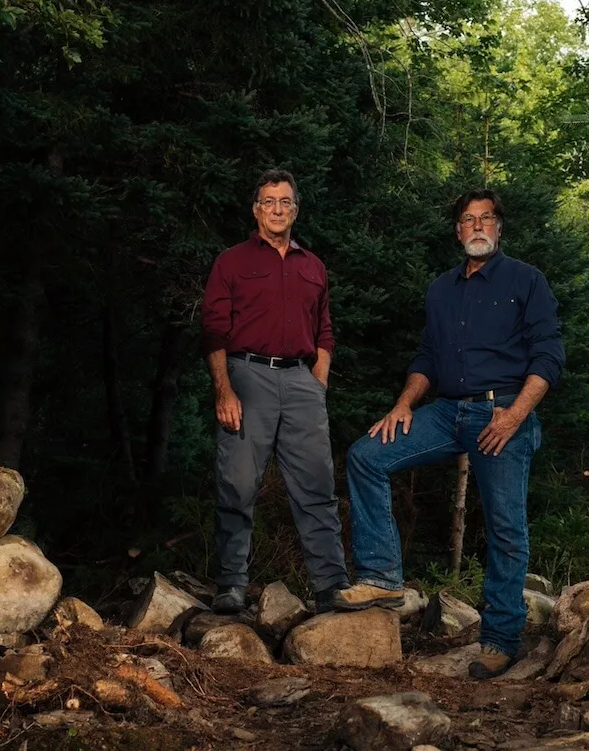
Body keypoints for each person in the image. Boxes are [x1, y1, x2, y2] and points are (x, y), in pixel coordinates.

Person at [332, 188, 565, 679]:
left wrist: (515, 415)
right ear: (457, 230)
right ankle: (383, 577)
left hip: (502, 413)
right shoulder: (441, 289)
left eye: (486, 219)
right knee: (366, 455)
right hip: (445, 412)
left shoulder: (526, 280)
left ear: (499, 228)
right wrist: (402, 404)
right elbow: (426, 358)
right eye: (467, 219)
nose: (477, 226)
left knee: (505, 527)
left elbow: (549, 355)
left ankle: (500, 640)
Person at [200, 169, 348, 615]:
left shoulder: (313, 266)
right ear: (256, 210)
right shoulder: (232, 261)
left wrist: (317, 382)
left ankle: (330, 587)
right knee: (238, 484)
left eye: (285, 202)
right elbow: (213, 329)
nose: (277, 209)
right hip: (247, 377)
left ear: (295, 210)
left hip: (301, 381)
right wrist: (224, 390)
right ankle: (231, 586)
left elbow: (324, 329)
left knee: (317, 487)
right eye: (268, 201)